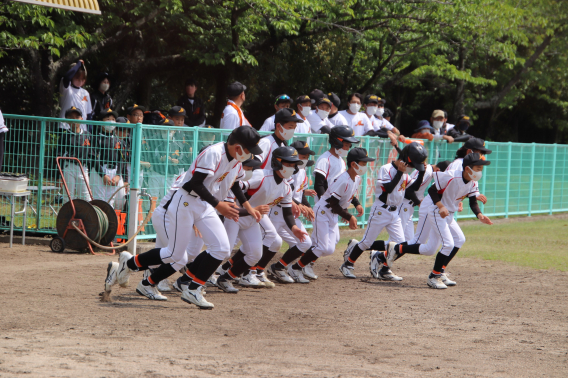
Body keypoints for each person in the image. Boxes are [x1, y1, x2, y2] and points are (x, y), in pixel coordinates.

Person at [107, 127, 263, 309]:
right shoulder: (213, 153)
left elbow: (235, 184)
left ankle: (194, 289)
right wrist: (218, 204)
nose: (250, 155)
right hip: (186, 201)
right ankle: (132, 263)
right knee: (175, 255)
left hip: (204, 204)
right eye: (249, 150)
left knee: (222, 248)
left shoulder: (235, 161)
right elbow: (194, 183)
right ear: (238, 147)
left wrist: (248, 207)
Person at [382, 153, 493, 289]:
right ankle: (434, 277)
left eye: (481, 168)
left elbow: (472, 201)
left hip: (448, 214)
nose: (479, 171)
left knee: (446, 244)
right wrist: (441, 206)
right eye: (477, 168)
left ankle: (398, 248)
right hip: (436, 210)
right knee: (448, 244)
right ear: (468, 168)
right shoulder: (452, 176)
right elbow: (433, 190)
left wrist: (479, 215)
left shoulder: (473, 181)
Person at [215, 146, 308, 293]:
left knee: (255, 255)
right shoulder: (261, 175)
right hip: (236, 214)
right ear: (277, 162)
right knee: (223, 250)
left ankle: (225, 278)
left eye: (293, 165)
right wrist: (246, 207)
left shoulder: (286, 187)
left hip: (252, 220)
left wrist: (294, 228)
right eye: (288, 164)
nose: (291, 168)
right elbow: (236, 184)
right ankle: (191, 277)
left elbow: (288, 213)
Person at [341, 142, 428, 280]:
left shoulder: (405, 173)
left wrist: (421, 172)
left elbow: (413, 189)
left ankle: (384, 269)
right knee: (367, 242)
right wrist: (399, 172)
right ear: (406, 159)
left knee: (399, 245)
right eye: (412, 164)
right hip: (380, 210)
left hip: (395, 212)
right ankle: (348, 264)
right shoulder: (386, 168)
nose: (412, 168)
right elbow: (387, 189)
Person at [288, 147, 373, 279]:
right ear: (353, 164)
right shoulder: (343, 179)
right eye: (363, 163)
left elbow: (346, 197)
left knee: (329, 249)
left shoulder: (356, 179)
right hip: (323, 211)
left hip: (332, 213)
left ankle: (305, 263)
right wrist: (348, 216)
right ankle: (296, 268)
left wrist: (355, 205)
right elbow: (331, 203)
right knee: (321, 246)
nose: (365, 166)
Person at [267, 140, 316, 284]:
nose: (305, 158)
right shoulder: (288, 170)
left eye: (307, 155)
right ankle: (249, 270)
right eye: (303, 154)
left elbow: (299, 194)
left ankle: (279, 267)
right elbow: (286, 194)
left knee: (305, 242)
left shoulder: (302, 171)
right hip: (276, 211)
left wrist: (306, 206)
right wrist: (300, 204)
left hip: (290, 215)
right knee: (267, 243)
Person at [90, 108, 127, 209]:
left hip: (114, 172)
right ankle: (98, 224)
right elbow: (94, 159)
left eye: (113, 119)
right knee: (99, 202)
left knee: (110, 202)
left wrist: (118, 175)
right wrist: (103, 175)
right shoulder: (95, 138)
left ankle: (107, 224)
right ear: (101, 122)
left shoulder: (118, 140)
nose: (111, 121)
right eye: (107, 119)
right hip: (100, 172)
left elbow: (121, 159)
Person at [57, 106, 95, 201]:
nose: (74, 120)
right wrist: (59, 176)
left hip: (83, 168)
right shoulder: (64, 136)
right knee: (68, 196)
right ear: (66, 120)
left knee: (86, 197)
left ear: (82, 119)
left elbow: (92, 155)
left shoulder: (88, 135)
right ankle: (69, 216)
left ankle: (85, 216)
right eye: (71, 117)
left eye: (77, 117)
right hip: (69, 167)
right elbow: (59, 156)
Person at [59, 60, 92, 132]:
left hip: (82, 129)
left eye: (82, 79)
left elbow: (88, 114)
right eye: (77, 78)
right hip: (65, 126)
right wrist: (78, 64)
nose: (80, 81)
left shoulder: (85, 93)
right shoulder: (66, 89)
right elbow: (67, 77)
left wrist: (90, 131)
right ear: (72, 77)